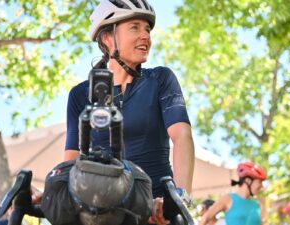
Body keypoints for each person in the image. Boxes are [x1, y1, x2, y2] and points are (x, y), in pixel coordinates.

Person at [63, 0, 195, 224]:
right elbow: (71, 160)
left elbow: (182, 137)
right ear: (107, 38)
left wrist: (178, 199)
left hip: (156, 208)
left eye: (147, 29)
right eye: (135, 27)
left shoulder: (161, 79)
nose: (146, 36)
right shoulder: (80, 94)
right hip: (102, 210)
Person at [199, 162, 267, 225]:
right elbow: (205, 218)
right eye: (260, 182)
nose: (261, 186)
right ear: (248, 181)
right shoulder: (227, 199)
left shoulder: (257, 204)